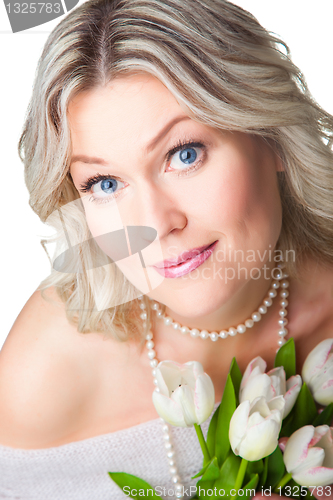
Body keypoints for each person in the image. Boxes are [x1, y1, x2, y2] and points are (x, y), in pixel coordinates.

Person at [0, 0, 333, 498]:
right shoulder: (45, 375)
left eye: (184, 154)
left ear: (273, 140)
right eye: (106, 183)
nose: (155, 225)